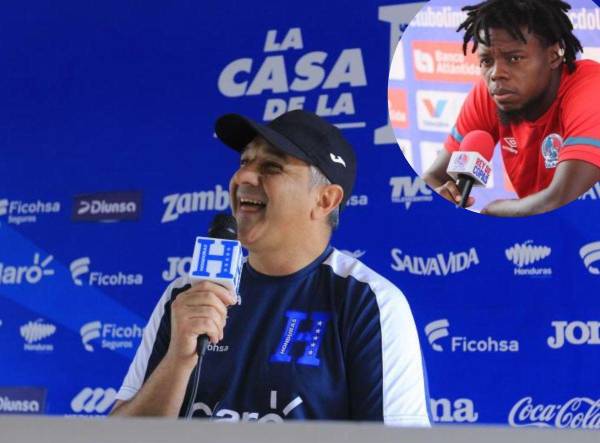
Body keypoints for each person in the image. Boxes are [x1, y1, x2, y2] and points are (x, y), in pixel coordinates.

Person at [110, 109, 431, 426]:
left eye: (272, 166)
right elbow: (118, 441)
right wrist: (179, 360)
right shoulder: (187, 293)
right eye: (244, 162)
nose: (243, 177)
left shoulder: (368, 302)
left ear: (325, 200)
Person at [423, 0, 600, 217]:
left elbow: (561, 200)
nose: (497, 73)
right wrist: (445, 199)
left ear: (554, 55)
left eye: (514, 58)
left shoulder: (591, 89)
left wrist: (491, 212)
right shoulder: (495, 92)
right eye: (487, 61)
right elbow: (435, 178)